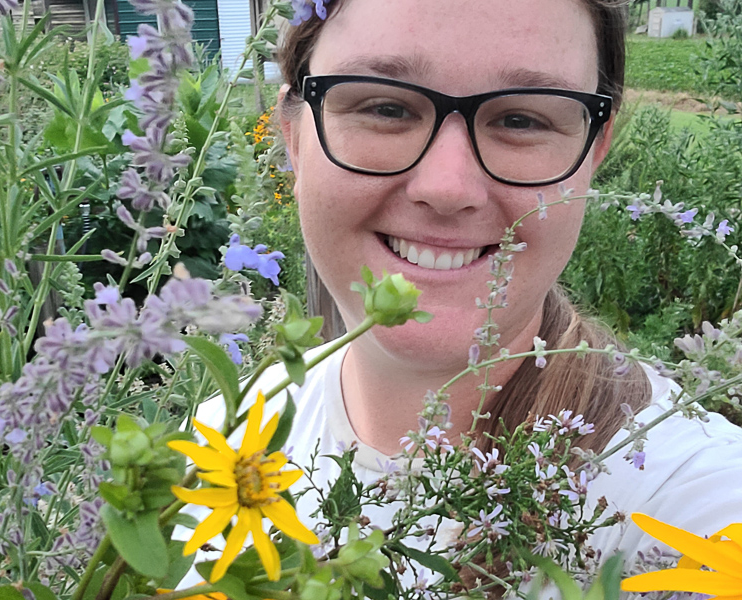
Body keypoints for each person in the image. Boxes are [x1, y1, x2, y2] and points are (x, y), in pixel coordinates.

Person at [178, 0, 742, 588]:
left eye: (521, 120)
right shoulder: (228, 433)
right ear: (293, 138)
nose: (448, 188)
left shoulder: (689, 500)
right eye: (385, 105)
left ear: (594, 153)